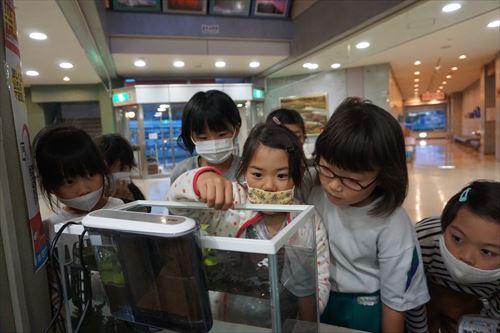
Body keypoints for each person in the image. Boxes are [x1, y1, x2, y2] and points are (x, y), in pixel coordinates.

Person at [168, 123, 330, 327]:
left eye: (281, 175)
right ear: (244, 171)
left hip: (287, 322)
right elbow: (179, 206)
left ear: (296, 176)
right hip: (229, 322)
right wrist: (201, 178)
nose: (269, 185)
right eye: (257, 174)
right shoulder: (232, 203)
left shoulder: (307, 220)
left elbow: (320, 280)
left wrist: (305, 320)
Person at [307, 97, 429, 333]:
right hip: (317, 297)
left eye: (351, 179)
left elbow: (395, 300)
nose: (334, 185)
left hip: (365, 307)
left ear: (383, 176)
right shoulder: (314, 192)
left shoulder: (393, 223)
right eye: (327, 170)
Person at [406, 180, 500, 333]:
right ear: (445, 226)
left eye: (487, 251)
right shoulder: (423, 240)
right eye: (457, 238)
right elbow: (410, 297)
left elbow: (494, 321)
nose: (465, 257)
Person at [33, 126, 124, 238]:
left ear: (102, 168)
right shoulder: (52, 225)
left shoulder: (119, 208)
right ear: (50, 186)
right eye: (69, 181)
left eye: (90, 174)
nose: (83, 189)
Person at [170, 90, 241, 184]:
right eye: (203, 137)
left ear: (236, 130)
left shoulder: (247, 171)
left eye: (222, 135)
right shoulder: (181, 172)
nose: (213, 142)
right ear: (192, 136)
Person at [95, 133, 146, 203]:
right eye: (108, 170)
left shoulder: (132, 191)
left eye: (124, 168)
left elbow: (146, 209)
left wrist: (125, 200)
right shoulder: (94, 198)